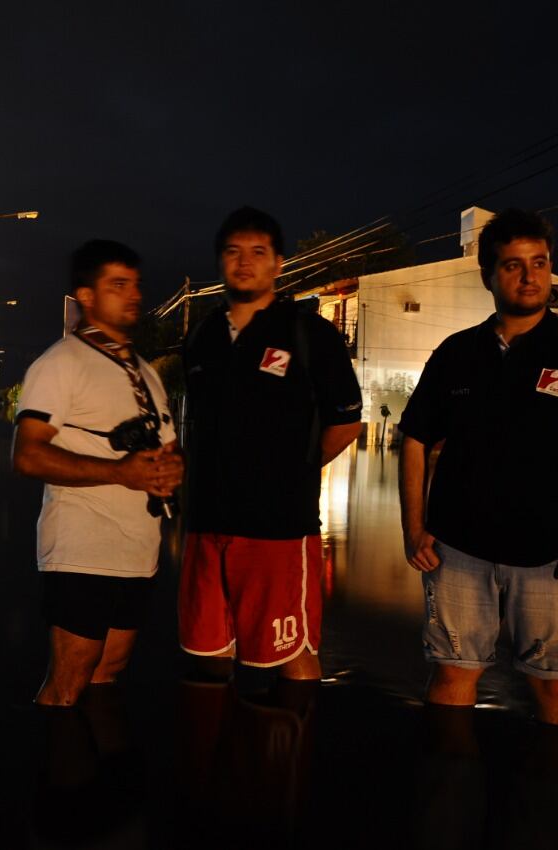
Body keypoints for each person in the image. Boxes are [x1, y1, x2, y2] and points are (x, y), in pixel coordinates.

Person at [399, 208, 558, 726]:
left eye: (540, 262)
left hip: (556, 562)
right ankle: (445, 796)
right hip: (457, 554)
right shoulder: (456, 353)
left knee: (557, 688)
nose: (531, 275)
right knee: (451, 676)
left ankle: (556, 802)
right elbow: (416, 439)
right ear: (489, 275)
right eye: (513, 265)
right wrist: (414, 528)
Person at [180, 207, 362, 685]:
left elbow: (346, 424)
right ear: (220, 261)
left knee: (290, 654)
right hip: (205, 523)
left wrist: (291, 469)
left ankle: (288, 757)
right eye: (233, 252)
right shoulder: (201, 336)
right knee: (208, 653)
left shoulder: (309, 334)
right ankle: (213, 755)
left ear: (279, 263)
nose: (245, 262)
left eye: (258, 252)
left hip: (278, 528)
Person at [13, 239, 183, 707]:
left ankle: (93, 774)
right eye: (118, 285)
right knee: (68, 684)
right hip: (81, 549)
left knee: (108, 675)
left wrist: (172, 467)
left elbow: (169, 446)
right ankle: (53, 774)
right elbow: (27, 455)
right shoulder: (60, 363)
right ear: (86, 296)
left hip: (136, 551)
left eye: (136, 285)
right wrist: (119, 472)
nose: (133, 295)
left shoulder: (145, 372)